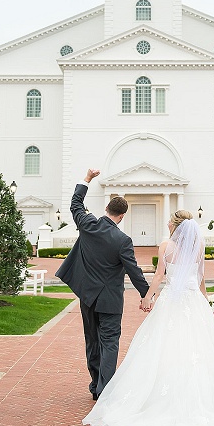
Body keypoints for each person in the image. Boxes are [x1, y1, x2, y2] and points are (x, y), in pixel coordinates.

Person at [83, 210, 214, 426]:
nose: (166, 222)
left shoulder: (166, 246)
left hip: (171, 302)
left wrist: (148, 298)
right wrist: (206, 302)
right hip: (193, 302)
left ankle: (159, 397)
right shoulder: (198, 247)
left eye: (169, 220)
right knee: (198, 348)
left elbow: (159, 276)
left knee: (164, 347)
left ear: (175, 225)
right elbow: (201, 279)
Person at [55, 168, 151, 400]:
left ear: (106, 209)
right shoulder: (123, 240)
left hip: (87, 297)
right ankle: (104, 390)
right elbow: (134, 270)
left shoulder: (87, 225)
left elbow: (75, 204)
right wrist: (147, 294)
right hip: (109, 300)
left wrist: (87, 179)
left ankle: (95, 385)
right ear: (122, 216)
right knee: (109, 343)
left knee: (92, 341)